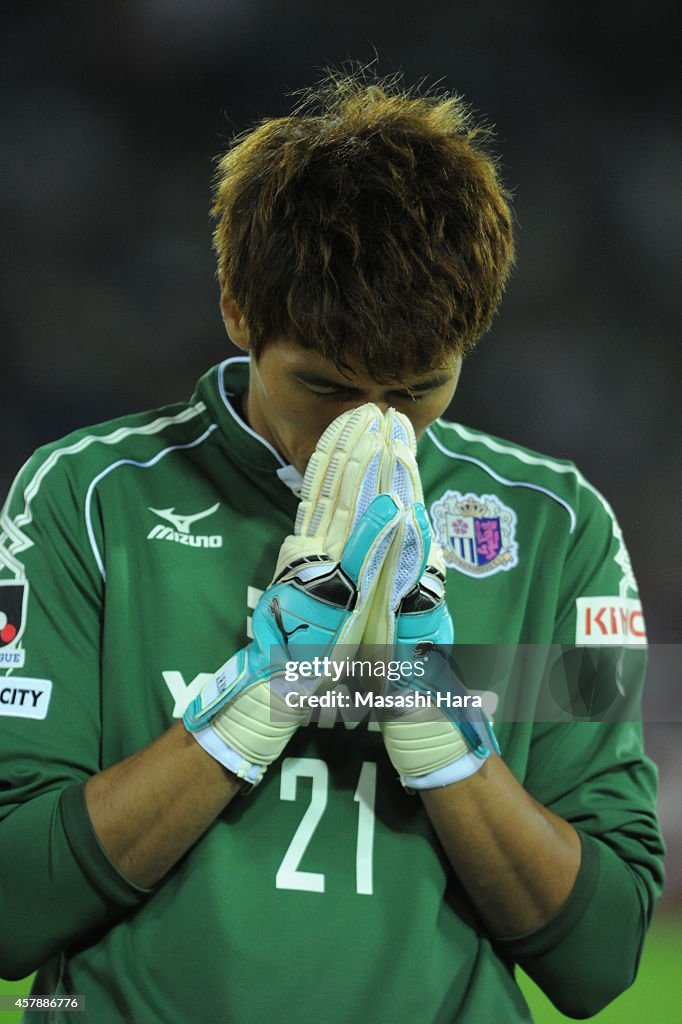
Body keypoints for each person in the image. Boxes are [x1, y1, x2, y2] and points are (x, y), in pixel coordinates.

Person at [0, 71, 664, 1023]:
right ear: (237, 308)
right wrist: (265, 690)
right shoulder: (87, 499)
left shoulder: (557, 530)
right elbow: (13, 909)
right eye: (323, 387)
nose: (369, 430)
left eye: (416, 390)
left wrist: (433, 714)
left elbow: (599, 959)